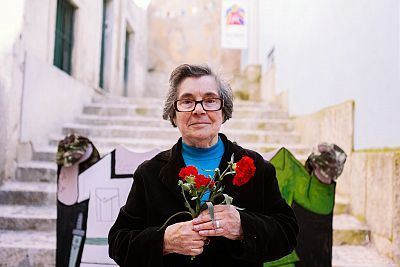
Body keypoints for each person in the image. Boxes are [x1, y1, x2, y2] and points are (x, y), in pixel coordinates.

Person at [108, 64, 298, 267]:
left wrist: (243, 227)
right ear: (173, 114)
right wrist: (164, 241)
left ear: (224, 111)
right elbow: (118, 243)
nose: (199, 110)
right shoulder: (150, 174)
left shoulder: (256, 168)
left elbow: (287, 233)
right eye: (187, 101)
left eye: (210, 100)